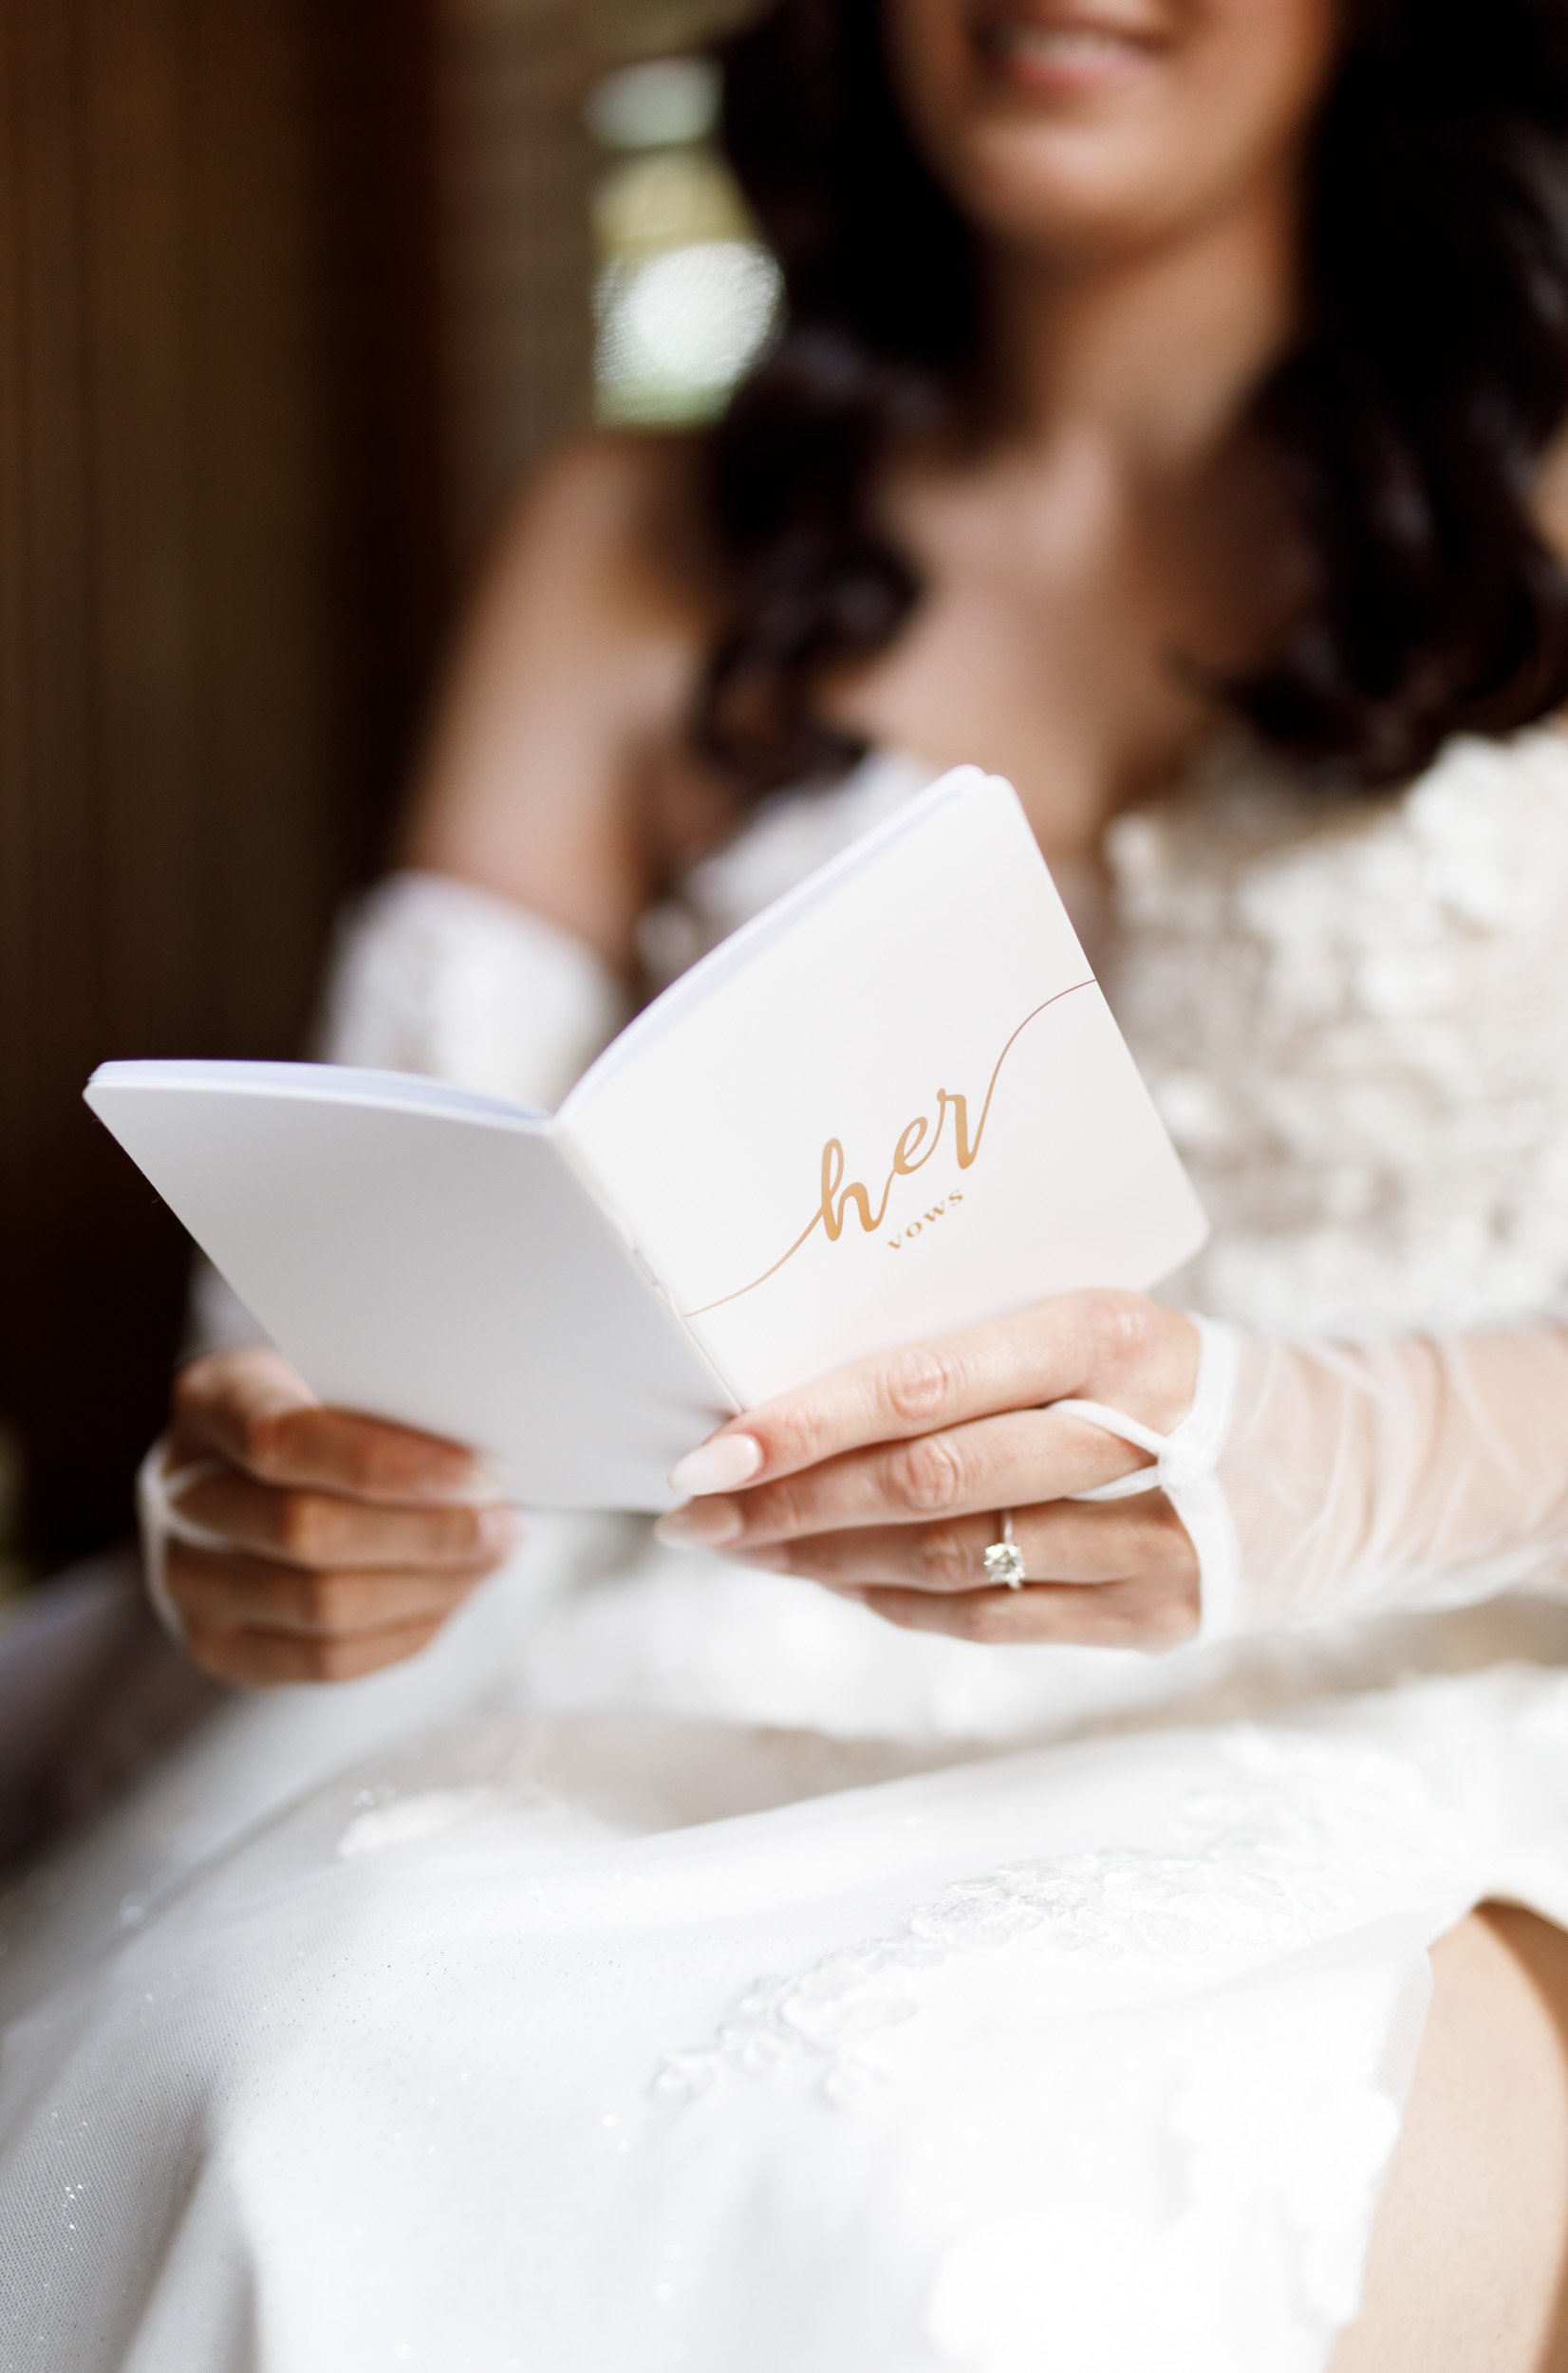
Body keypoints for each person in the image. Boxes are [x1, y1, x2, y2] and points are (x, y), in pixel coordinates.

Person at [7, 0, 1568, 2364]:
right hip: (717, 1653)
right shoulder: (633, 538)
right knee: (303, 2049)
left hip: (1424, 1677)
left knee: (1016, 2212)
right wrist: (284, 1488)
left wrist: (1317, 1465)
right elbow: (358, 1250)